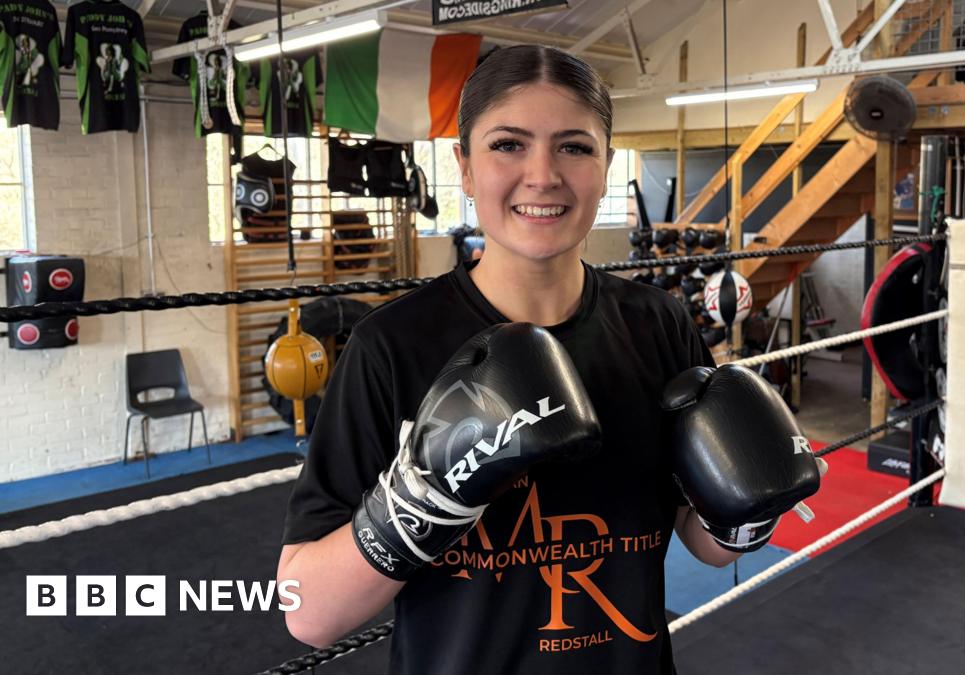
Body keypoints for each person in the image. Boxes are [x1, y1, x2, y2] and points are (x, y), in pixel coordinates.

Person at [276, 45, 814, 674]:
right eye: (508, 144)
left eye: (574, 146)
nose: (542, 175)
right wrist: (421, 498)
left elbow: (705, 544)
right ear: (466, 169)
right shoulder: (391, 346)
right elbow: (308, 614)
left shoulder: (658, 324)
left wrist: (746, 510)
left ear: (606, 165)